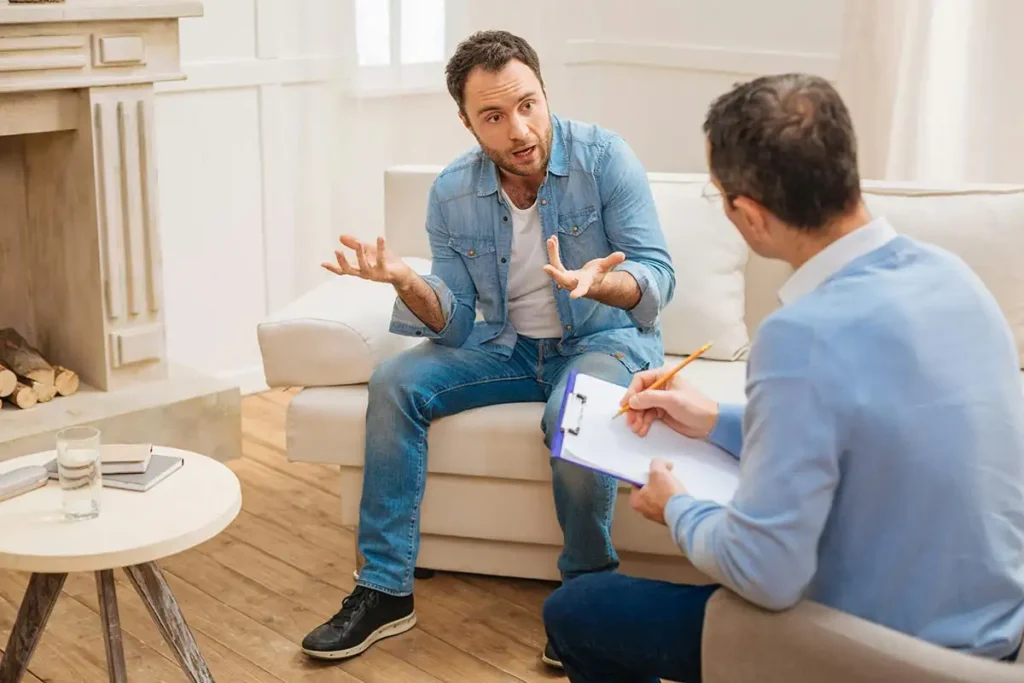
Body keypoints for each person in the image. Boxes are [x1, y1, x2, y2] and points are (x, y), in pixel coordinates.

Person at [542, 72, 1024, 682]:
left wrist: (679, 506)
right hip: (999, 637)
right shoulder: (956, 279)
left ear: (747, 214)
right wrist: (713, 421)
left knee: (580, 611)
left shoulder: (802, 334)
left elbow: (765, 573)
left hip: (894, 654)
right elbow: (867, 431)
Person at [301, 30, 675, 666]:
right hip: (503, 348)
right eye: (494, 117)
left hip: (599, 340)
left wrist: (601, 283)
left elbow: (658, 279)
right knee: (395, 381)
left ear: (543, 91)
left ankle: (587, 599)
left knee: (574, 412)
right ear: (468, 121)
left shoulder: (605, 157)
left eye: (528, 105)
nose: (518, 130)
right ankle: (384, 589)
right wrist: (408, 281)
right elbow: (452, 322)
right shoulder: (452, 191)